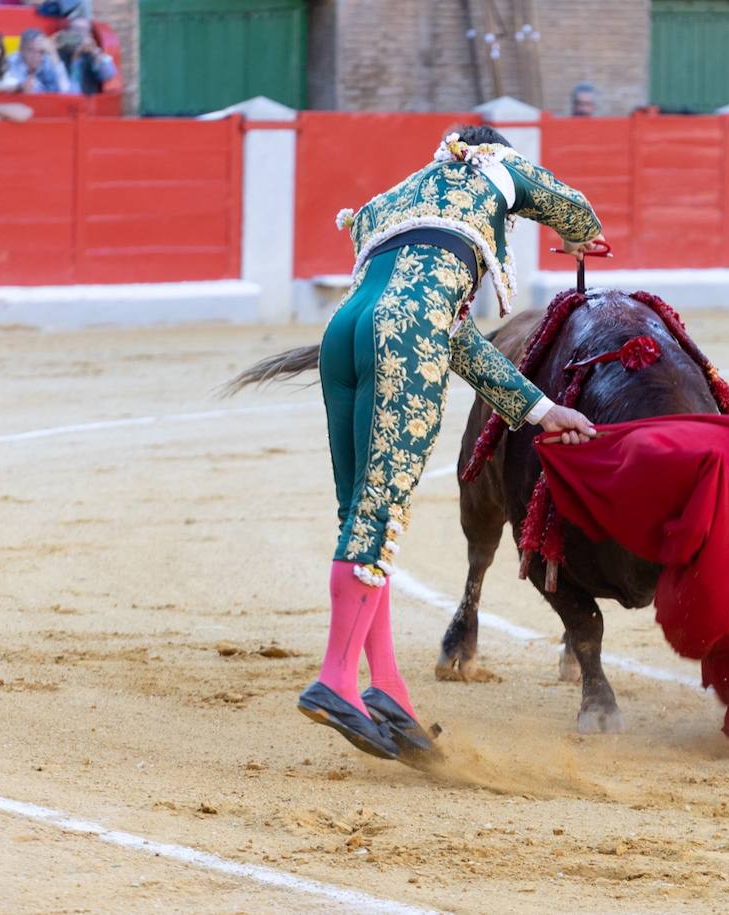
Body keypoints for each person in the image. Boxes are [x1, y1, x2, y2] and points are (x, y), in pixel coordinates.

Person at [231, 125, 605, 762]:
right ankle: (336, 679)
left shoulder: (396, 199)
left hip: (342, 336)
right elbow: (573, 207)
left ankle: (389, 690)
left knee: (360, 517)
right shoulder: (494, 169)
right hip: (404, 334)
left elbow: (455, 337)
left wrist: (542, 412)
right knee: (379, 518)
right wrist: (578, 239)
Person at [55, 16, 115, 94]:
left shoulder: (92, 54)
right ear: (67, 33)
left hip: (87, 100)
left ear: (89, 35)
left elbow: (108, 75)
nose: (79, 34)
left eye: (83, 30)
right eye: (75, 29)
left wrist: (95, 52)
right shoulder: (57, 53)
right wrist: (52, 50)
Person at [7, 28, 71, 94]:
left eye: (41, 51)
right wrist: (20, 87)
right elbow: (7, 87)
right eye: (31, 50)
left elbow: (66, 90)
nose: (36, 56)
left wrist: (53, 53)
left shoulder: (49, 61)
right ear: (21, 50)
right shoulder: (10, 62)